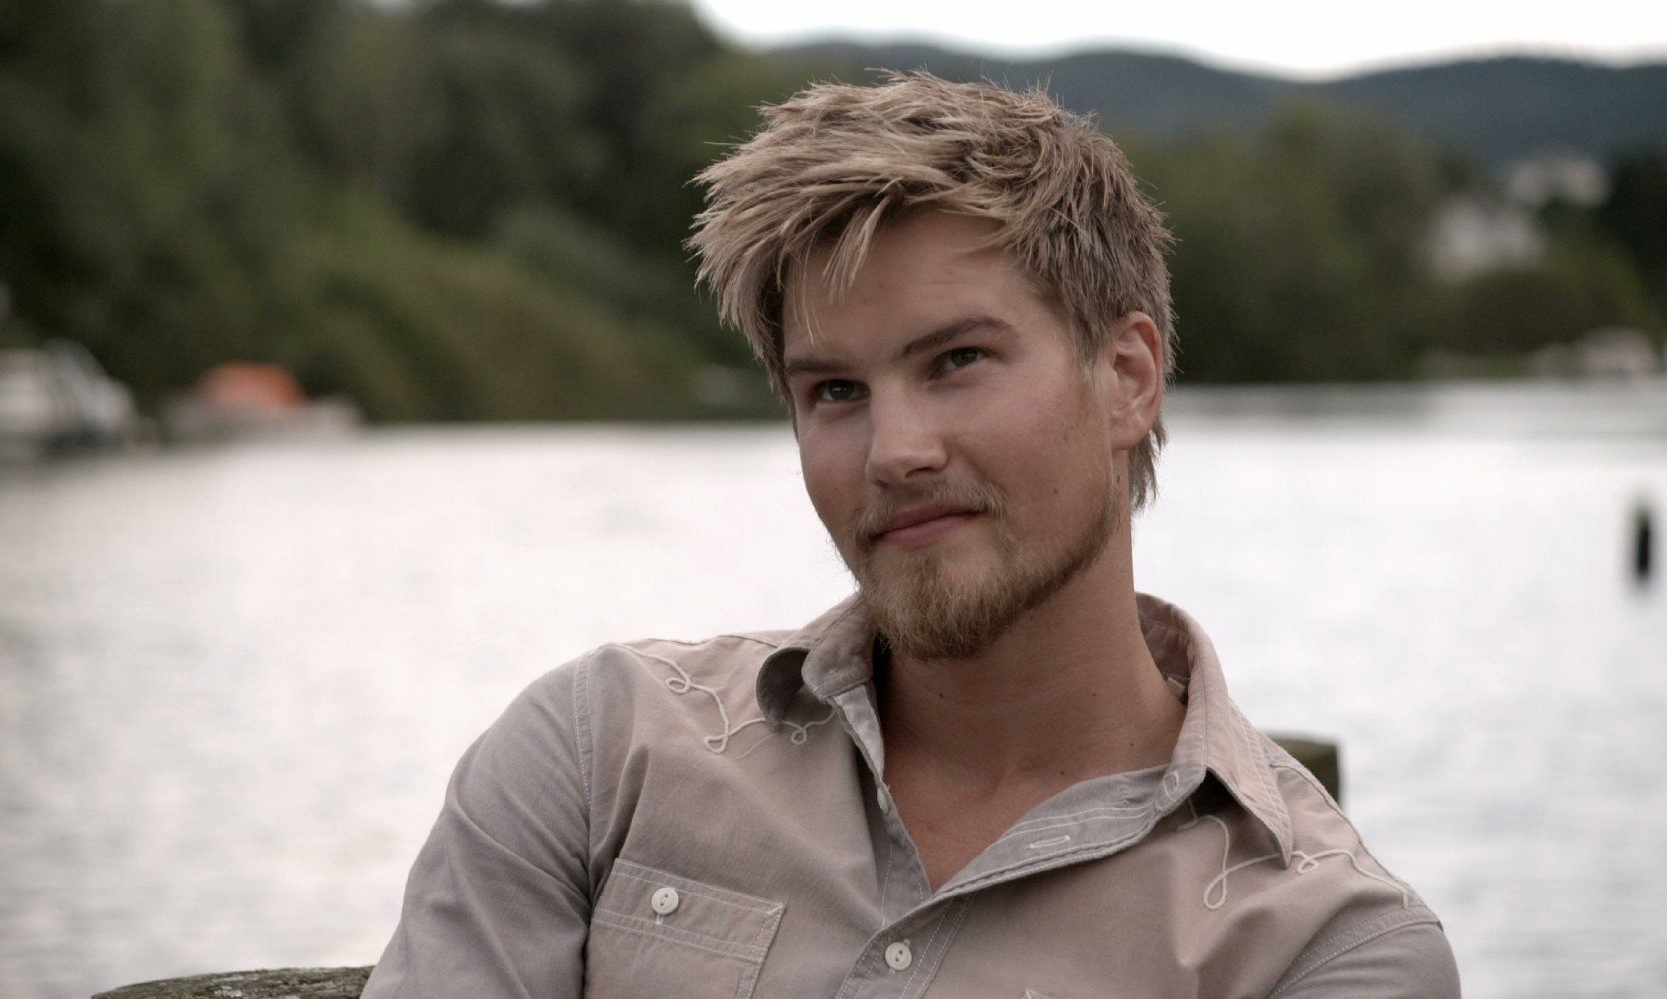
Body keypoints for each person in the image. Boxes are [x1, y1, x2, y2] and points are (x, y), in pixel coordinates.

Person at [361, 73, 1459, 998]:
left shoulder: (1316, 947)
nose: (893, 451)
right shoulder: (599, 755)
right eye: (835, 390)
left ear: (1126, 378)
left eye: (956, 361)